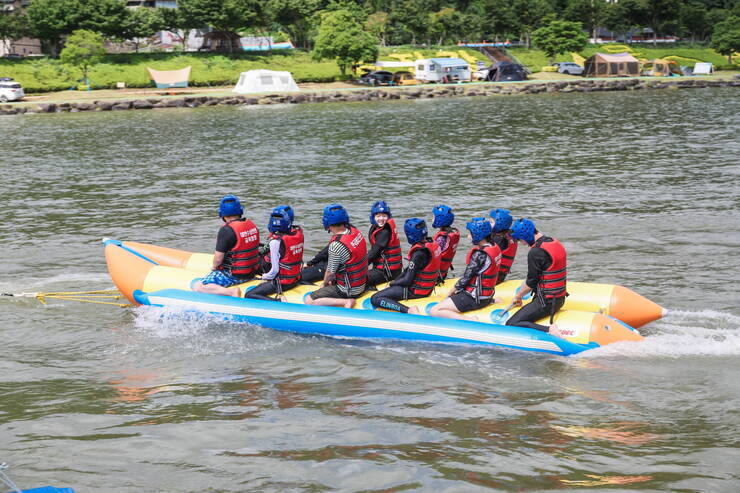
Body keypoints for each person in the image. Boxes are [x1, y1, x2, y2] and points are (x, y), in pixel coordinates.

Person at [430, 218, 501, 321]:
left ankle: (468, 320)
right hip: (487, 297)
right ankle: (491, 301)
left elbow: (467, 277)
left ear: (478, 235)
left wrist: (452, 291)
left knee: (435, 310)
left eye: (470, 234)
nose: (468, 236)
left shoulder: (479, 254)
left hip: (474, 299)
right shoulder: (494, 247)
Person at [505, 218, 567, 336]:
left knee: (512, 323)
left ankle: (549, 330)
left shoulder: (536, 252)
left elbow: (531, 282)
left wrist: (518, 296)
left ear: (525, 235)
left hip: (548, 303)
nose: (522, 243)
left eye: (520, 239)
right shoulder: (554, 242)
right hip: (559, 298)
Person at [370, 218, 441, 315]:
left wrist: (393, 284)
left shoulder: (418, 253)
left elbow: (407, 280)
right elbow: (409, 270)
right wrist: (396, 281)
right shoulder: (430, 244)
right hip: (427, 289)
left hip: (415, 292)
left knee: (375, 298)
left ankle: (408, 310)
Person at [193, 194, 260, 297]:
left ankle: (230, 292)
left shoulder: (226, 230)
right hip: (252, 272)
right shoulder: (252, 225)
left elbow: (218, 259)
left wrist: (214, 268)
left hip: (235, 275)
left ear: (222, 214)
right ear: (240, 211)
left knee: (198, 286)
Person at [305, 204, 368, 308]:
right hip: (363, 283)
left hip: (350, 291)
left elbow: (330, 273)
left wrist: (324, 285)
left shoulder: (336, 245)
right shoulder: (354, 231)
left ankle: (345, 302)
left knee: (309, 301)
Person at [244, 207, 304, 302]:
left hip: (282, 282)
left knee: (249, 294)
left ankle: (278, 301)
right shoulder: (298, 234)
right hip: (296, 278)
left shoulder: (275, 242)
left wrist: (264, 277)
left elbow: (274, 271)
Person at [366, 201, 403, 287]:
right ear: (373, 217)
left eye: (384, 216)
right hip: (386, 269)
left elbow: (374, 252)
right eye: (378, 216)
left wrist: (359, 266)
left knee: (358, 279)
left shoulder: (385, 231)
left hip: (388, 272)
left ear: (388, 216)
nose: (381, 219)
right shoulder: (377, 228)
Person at [431, 204, 460, 281]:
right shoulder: (451, 234)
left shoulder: (442, 238)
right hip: (444, 272)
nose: (432, 219)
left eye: (433, 217)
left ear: (439, 220)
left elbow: (432, 256)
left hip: (436, 275)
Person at [489, 208, 518, 284]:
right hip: (501, 275)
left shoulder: (498, 240)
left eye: (491, 222)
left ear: (499, 223)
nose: (488, 224)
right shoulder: (508, 236)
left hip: (493, 278)